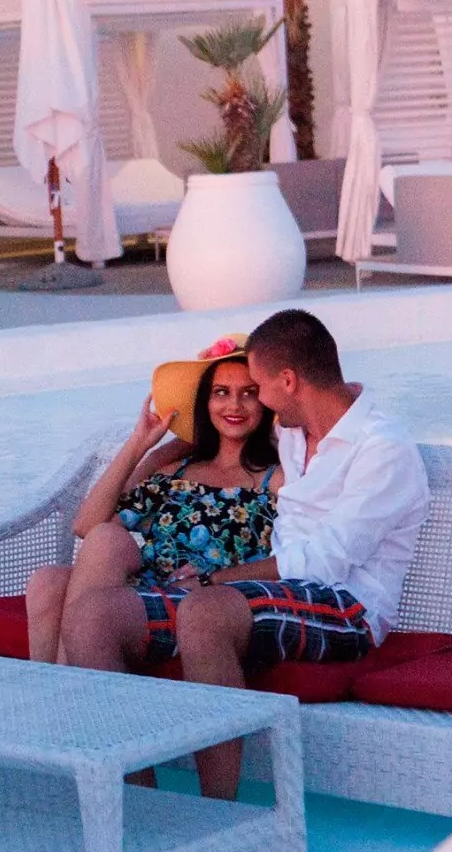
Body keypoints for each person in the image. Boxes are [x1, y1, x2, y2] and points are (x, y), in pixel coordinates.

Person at [59, 309, 429, 800]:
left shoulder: (381, 449)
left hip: (347, 606)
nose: (259, 401)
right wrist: (170, 435)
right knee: (93, 616)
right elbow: (226, 433)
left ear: (288, 382)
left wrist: (214, 580)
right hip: (270, 593)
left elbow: (324, 563)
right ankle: (140, 799)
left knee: (206, 610)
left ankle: (218, 810)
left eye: (259, 387)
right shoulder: (296, 432)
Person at [26, 335, 284, 796]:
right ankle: (73, 728)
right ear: (204, 403)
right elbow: (86, 525)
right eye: (221, 392)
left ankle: (77, 730)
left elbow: (299, 555)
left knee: (100, 563)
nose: (234, 405)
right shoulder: (176, 469)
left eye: (248, 393)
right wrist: (142, 444)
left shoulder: (275, 478)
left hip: (200, 601)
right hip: (146, 590)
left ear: (265, 402)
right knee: (51, 579)